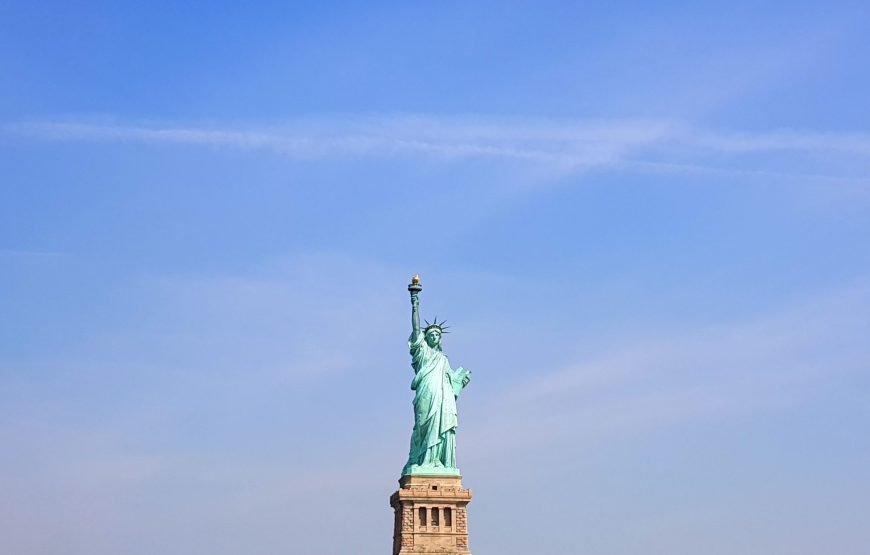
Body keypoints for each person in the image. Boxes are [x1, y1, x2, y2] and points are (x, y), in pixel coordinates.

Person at [403, 290, 471, 475]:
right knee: (422, 426)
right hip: (426, 394)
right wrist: (414, 304)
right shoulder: (422, 353)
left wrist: (460, 382)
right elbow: (416, 330)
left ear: (440, 339)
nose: (434, 336)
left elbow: (451, 384)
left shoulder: (443, 360)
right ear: (426, 338)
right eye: (431, 334)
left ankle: (436, 461)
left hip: (442, 399)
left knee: (441, 426)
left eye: (437, 335)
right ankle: (423, 460)